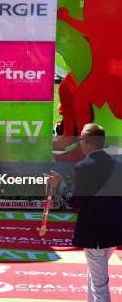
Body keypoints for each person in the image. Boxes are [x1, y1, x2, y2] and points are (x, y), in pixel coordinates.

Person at [46, 123, 122, 302]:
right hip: (114, 229)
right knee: (95, 277)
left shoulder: (84, 167)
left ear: (86, 142)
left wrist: (60, 185)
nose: (79, 142)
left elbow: (75, 201)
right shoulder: (118, 164)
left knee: (99, 284)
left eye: (80, 139)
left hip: (94, 233)